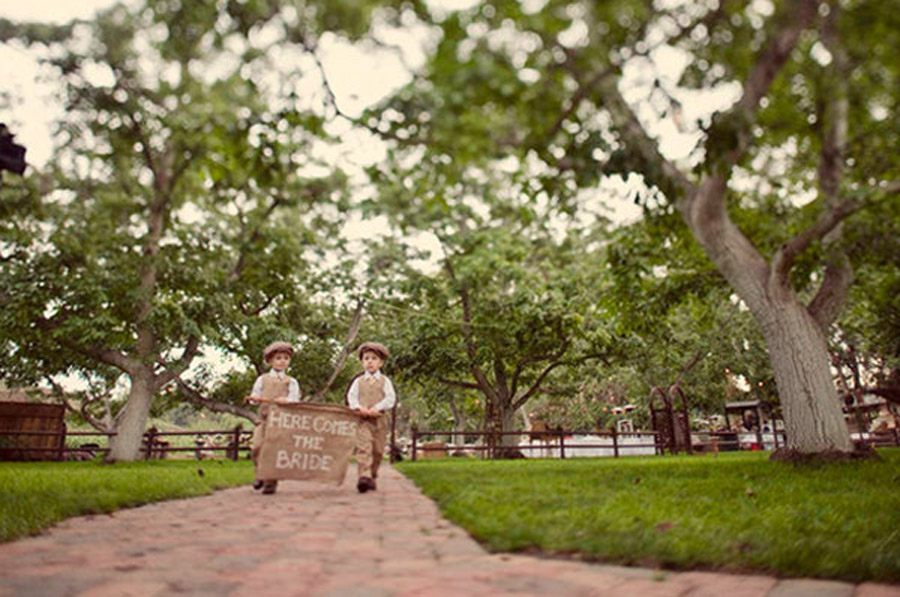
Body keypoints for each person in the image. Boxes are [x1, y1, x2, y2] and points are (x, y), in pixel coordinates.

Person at [246, 341, 301, 495]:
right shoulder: (262, 379)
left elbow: (295, 399)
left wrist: (287, 401)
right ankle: (260, 475)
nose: (282, 361)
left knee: (274, 450)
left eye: (285, 358)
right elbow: (255, 395)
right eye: (278, 358)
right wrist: (255, 399)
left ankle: (271, 482)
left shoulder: (291, 382)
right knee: (257, 447)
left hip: (280, 422)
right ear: (270, 361)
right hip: (264, 419)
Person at [346, 341, 396, 493]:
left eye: (374, 358)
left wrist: (377, 408)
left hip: (379, 419)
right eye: (366, 358)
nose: (370, 362)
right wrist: (358, 408)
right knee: (364, 447)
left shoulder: (385, 381)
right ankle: (364, 476)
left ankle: (372, 474)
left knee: (378, 451)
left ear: (380, 363)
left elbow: (390, 398)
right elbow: (351, 397)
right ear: (362, 362)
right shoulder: (358, 382)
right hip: (363, 420)